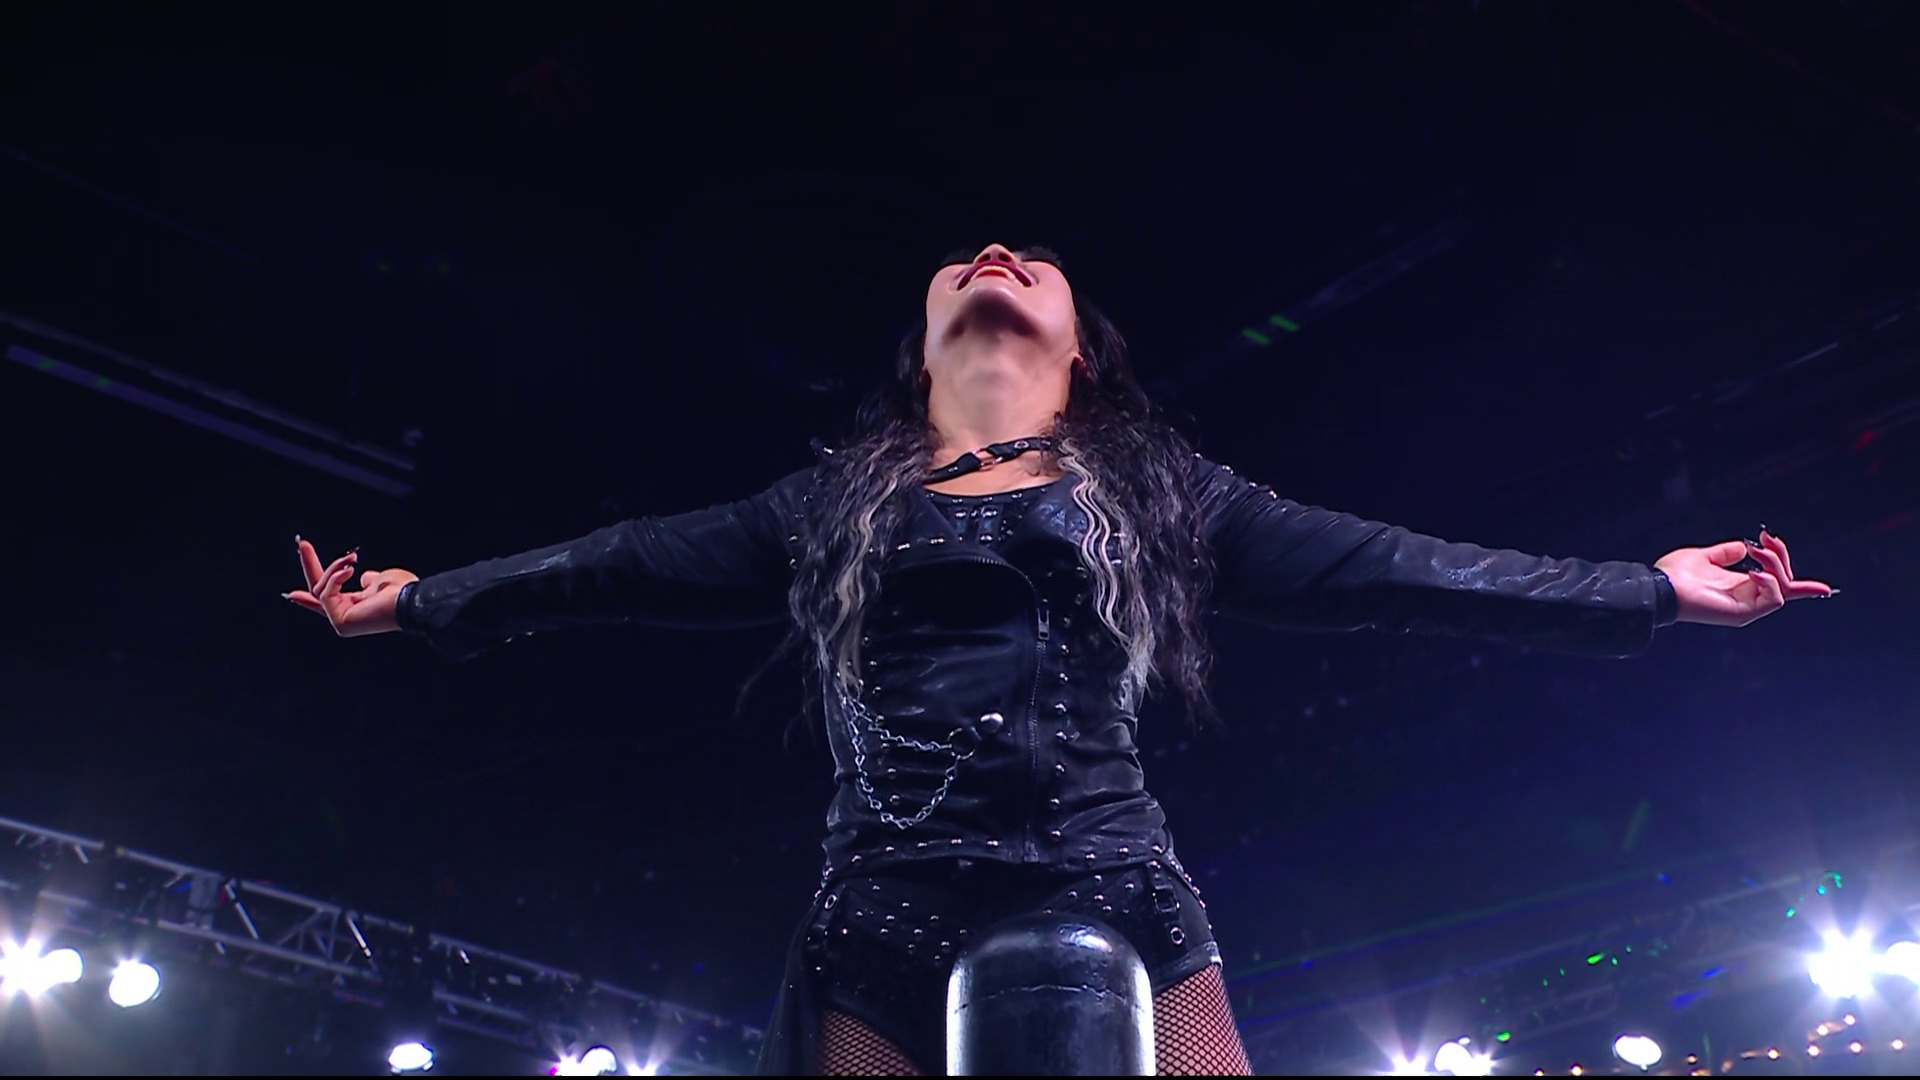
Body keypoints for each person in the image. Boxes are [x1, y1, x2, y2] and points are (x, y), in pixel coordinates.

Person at [286, 243, 1833, 1075]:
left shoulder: (1166, 492)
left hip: (1117, 886)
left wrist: (1644, 589)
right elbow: (613, 564)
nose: (994, 253)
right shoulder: (824, 504)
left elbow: (1395, 566)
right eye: (967, 259)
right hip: (886, 909)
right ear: (925, 346)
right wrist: (426, 601)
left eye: (1031, 261)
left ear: (1077, 352)